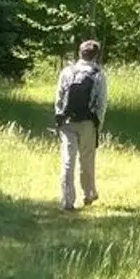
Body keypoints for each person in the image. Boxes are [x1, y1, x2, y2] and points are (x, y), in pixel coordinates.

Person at [54, 40, 109, 211]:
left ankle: (67, 200)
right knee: (87, 159)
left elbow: (59, 98)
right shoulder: (98, 74)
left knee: (67, 160)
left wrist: (59, 119)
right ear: (96, 55)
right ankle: (89, 194)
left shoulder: (67, 72)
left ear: (79, 53)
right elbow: (101, 103)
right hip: (88, 123)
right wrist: (97, 126)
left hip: (67, 122)